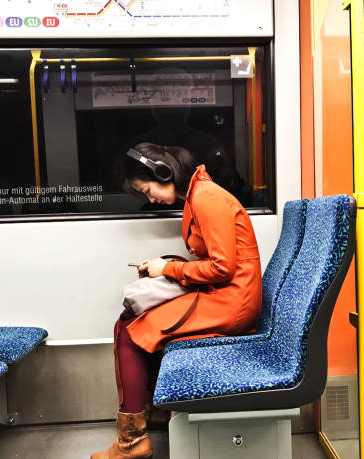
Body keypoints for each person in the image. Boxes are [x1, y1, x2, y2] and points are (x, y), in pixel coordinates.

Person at [91, 142, 262, 459]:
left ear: (165, 173)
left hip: (232, 302)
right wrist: (166, 268)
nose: (150, 197)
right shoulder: (198, 196)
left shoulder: (207, 199)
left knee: (131, 333)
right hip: (224, 294)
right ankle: (155, 412)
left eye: (148, 188)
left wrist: (168, 268)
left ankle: (132, 441)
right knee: (127, 321)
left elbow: (222, 268)